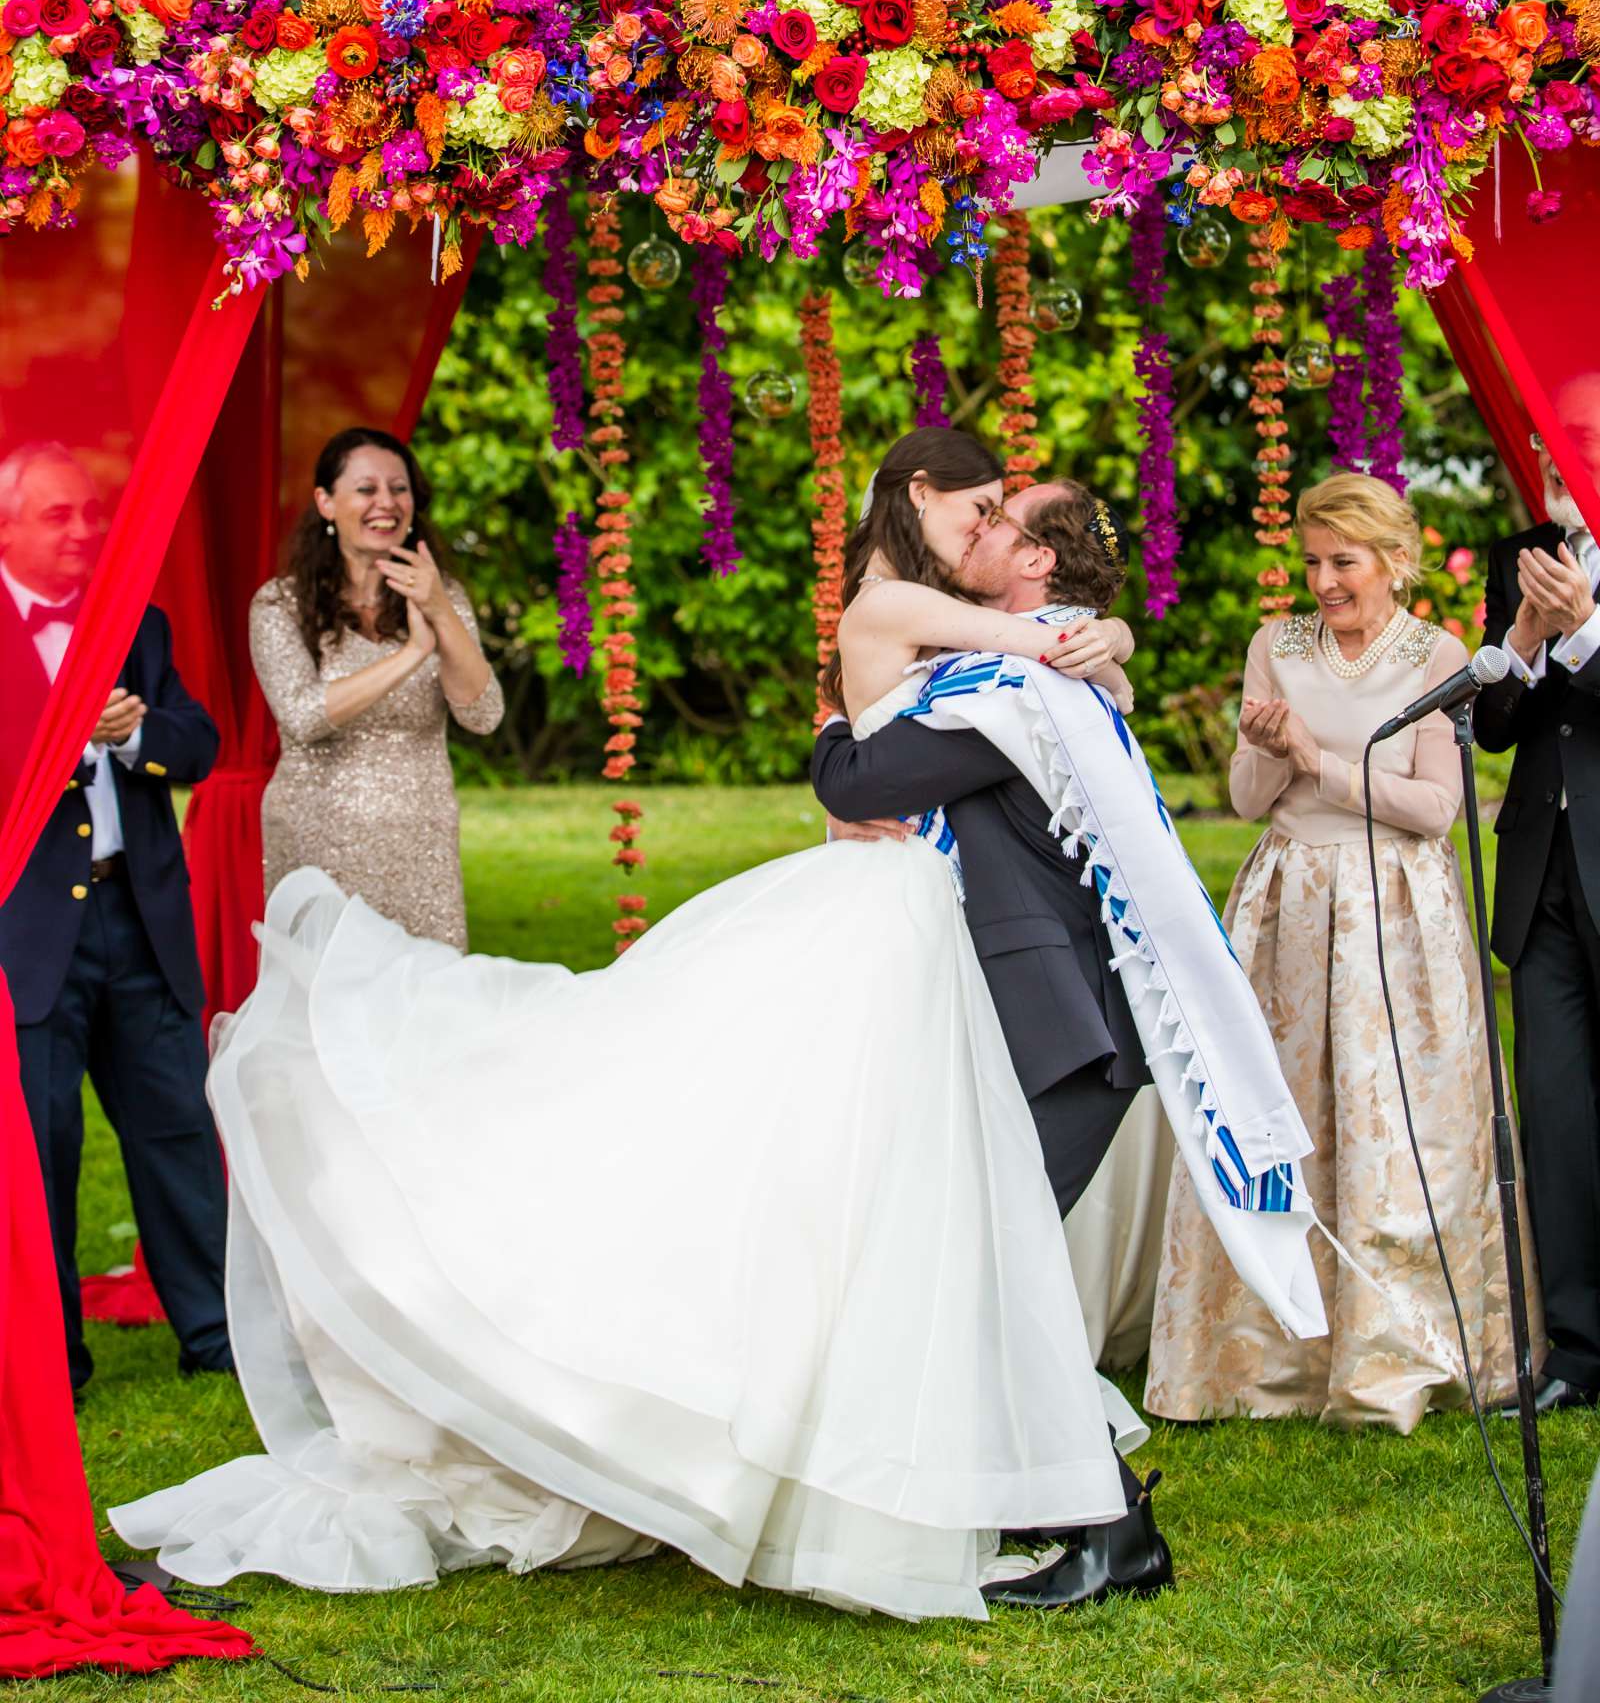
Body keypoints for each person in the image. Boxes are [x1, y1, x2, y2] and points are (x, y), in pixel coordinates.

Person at [113, 429, 1146, 1622]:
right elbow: (1026, 654)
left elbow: (1049, 664)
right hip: (878, 913)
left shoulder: (916, 596)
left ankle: (959, 1466)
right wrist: (1087, 634)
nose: (988, 533)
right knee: (848, 1189)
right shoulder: (900, 593)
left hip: (906, 914)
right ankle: (960, 1472)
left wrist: (1104, 637)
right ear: (921, 497)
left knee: (864, 1198)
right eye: (979, 512)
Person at [811, 465, 1173, 1610]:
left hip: (1074, 1029)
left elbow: (867, 772)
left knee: (988, 1261)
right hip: (1055, 1016)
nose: (979, 530)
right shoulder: (1028, 664)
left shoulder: (1025, 689)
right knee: (985, 1260)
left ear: (1037, 565)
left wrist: (830, 725)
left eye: (1001, 522)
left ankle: (1109, 1529)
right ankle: (1055, 1498)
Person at [1145, 471, 1527, 1431]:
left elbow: (1437, 811)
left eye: (1342, 562)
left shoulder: (1438, 655)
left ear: (1394, 561)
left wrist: (1321, 761)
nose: (1322, 581)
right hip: (1288, 907)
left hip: (1397, 916)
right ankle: (1268, 1359)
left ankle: (1400, 1352)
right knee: (1286, 1116)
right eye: (1311, 561)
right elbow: (1243, 798)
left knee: (1400, 1125)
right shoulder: (1273, 647)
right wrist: (1272, 749)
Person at [0, 441, 229, 1395]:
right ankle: (54, 1360)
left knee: (176, 1127)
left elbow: (199, 742)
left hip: (142, 921)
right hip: (30, 933)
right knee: (41, 1150)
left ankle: (219, 1337)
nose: (84, 532)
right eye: (58, 517)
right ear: (5, 527)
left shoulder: (139, 622)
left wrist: (134, 730)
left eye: (89, 513)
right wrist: (62, 740)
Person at [249, 427, 504, 950]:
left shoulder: (443, 596)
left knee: (422, 1005)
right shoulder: (279, 605)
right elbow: (302, 717)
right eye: (366, 489)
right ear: (326, 502)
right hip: (316, 838)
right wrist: (412, 654)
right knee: (323, 1005)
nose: (386, 503)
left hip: (420, 841)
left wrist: (437, 611)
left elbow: (484, 715)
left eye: (399, 488)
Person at [1475, 421, 1600, 1412]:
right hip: (1539, 872)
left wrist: (1587, 629)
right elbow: (1491, 724)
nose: (1557, 470)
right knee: (1556, 1114)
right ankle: (1575, 1349)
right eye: (1552, 451)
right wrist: (1522, 637)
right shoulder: (1523, 552)